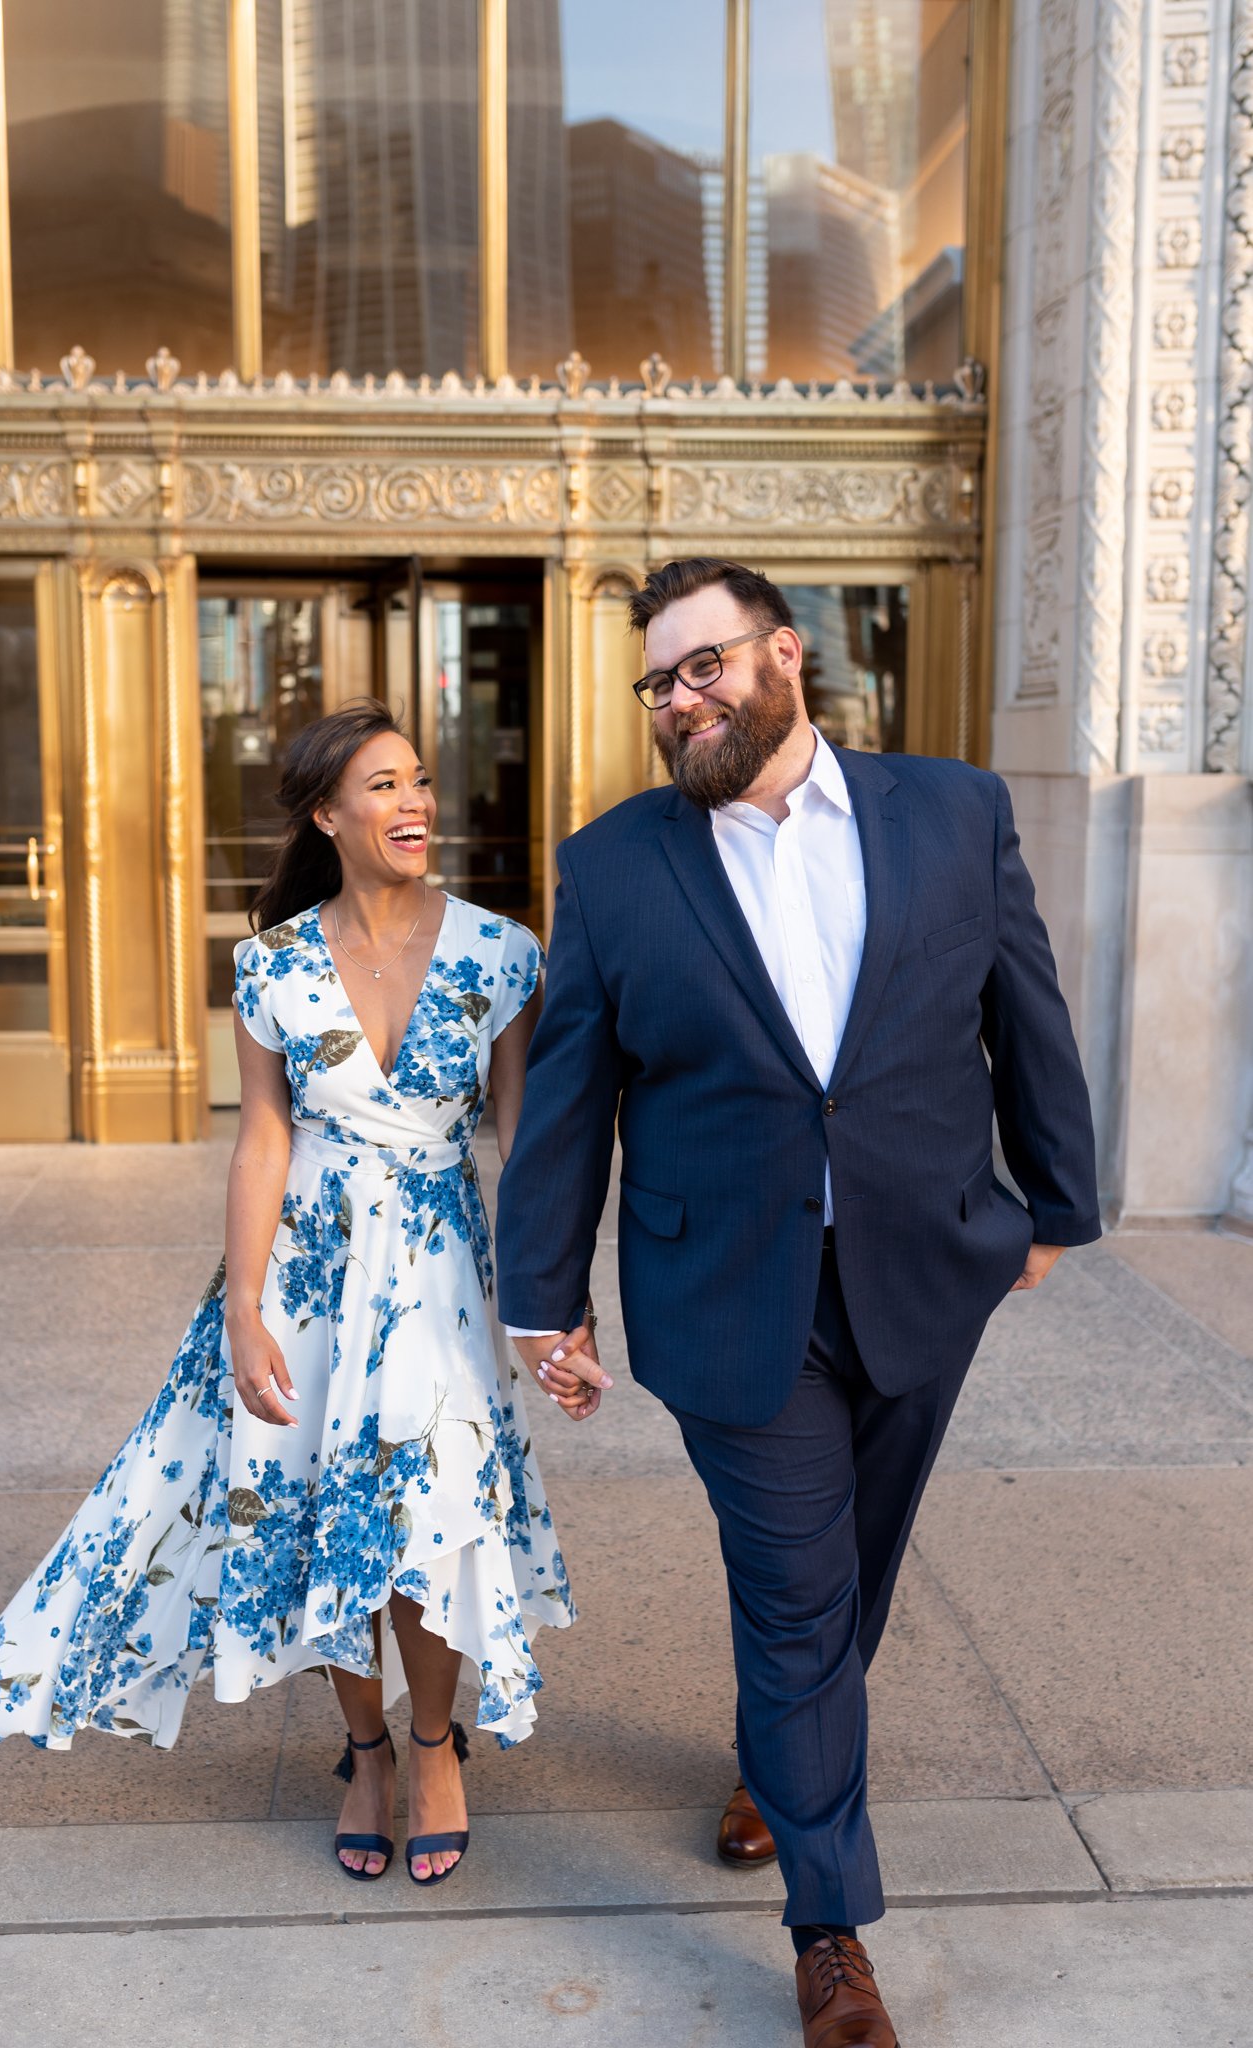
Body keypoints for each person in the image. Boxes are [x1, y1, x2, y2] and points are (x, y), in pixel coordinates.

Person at [496, 560, 1100, 2044]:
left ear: (782, 657)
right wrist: (540, 1296)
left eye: (700, 667)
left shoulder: (950, 812)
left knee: (853, 1571)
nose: (677, 699)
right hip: (723, 1292)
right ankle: (830, 1935)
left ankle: (779, 1763)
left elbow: (1020, 1007)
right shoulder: (616, 863)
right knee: (793, 1592)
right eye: (656, 682)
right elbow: (570, 1092)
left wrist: (1054, 1207)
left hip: (922, 1265)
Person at [0, 699, 573, 1888]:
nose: (413, 802)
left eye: (419, 779)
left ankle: (435, 1750)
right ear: (325, 813)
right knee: (322, 1511)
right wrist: (243, 1307)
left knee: (430, 1517)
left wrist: (552, 1301)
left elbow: (524, 1136)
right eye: (380, 786)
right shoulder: (271, 963)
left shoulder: (502, 950)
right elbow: (262, 1144)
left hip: (436, 1274)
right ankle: (365, 1749)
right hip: (312, 1273)